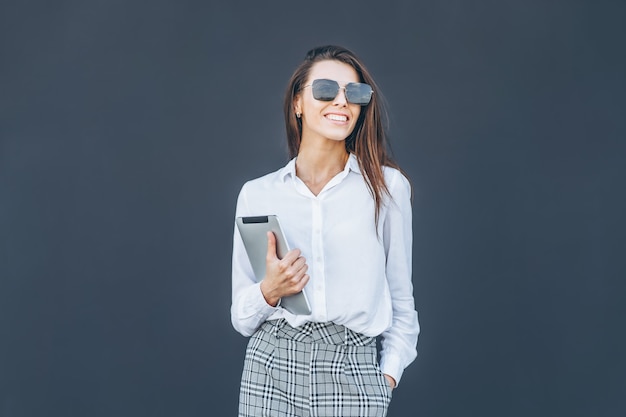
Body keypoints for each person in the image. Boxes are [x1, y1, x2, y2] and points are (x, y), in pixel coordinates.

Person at [231, 45, 419, 417]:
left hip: (353, 371)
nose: (342, 102)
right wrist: (270, 291)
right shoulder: (258, 194)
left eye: (356, 93)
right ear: (298, 102)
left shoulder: (388, 188)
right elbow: (240, 316)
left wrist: (384, 379)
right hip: (271, 369)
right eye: (325, 90)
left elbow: (402, 303)